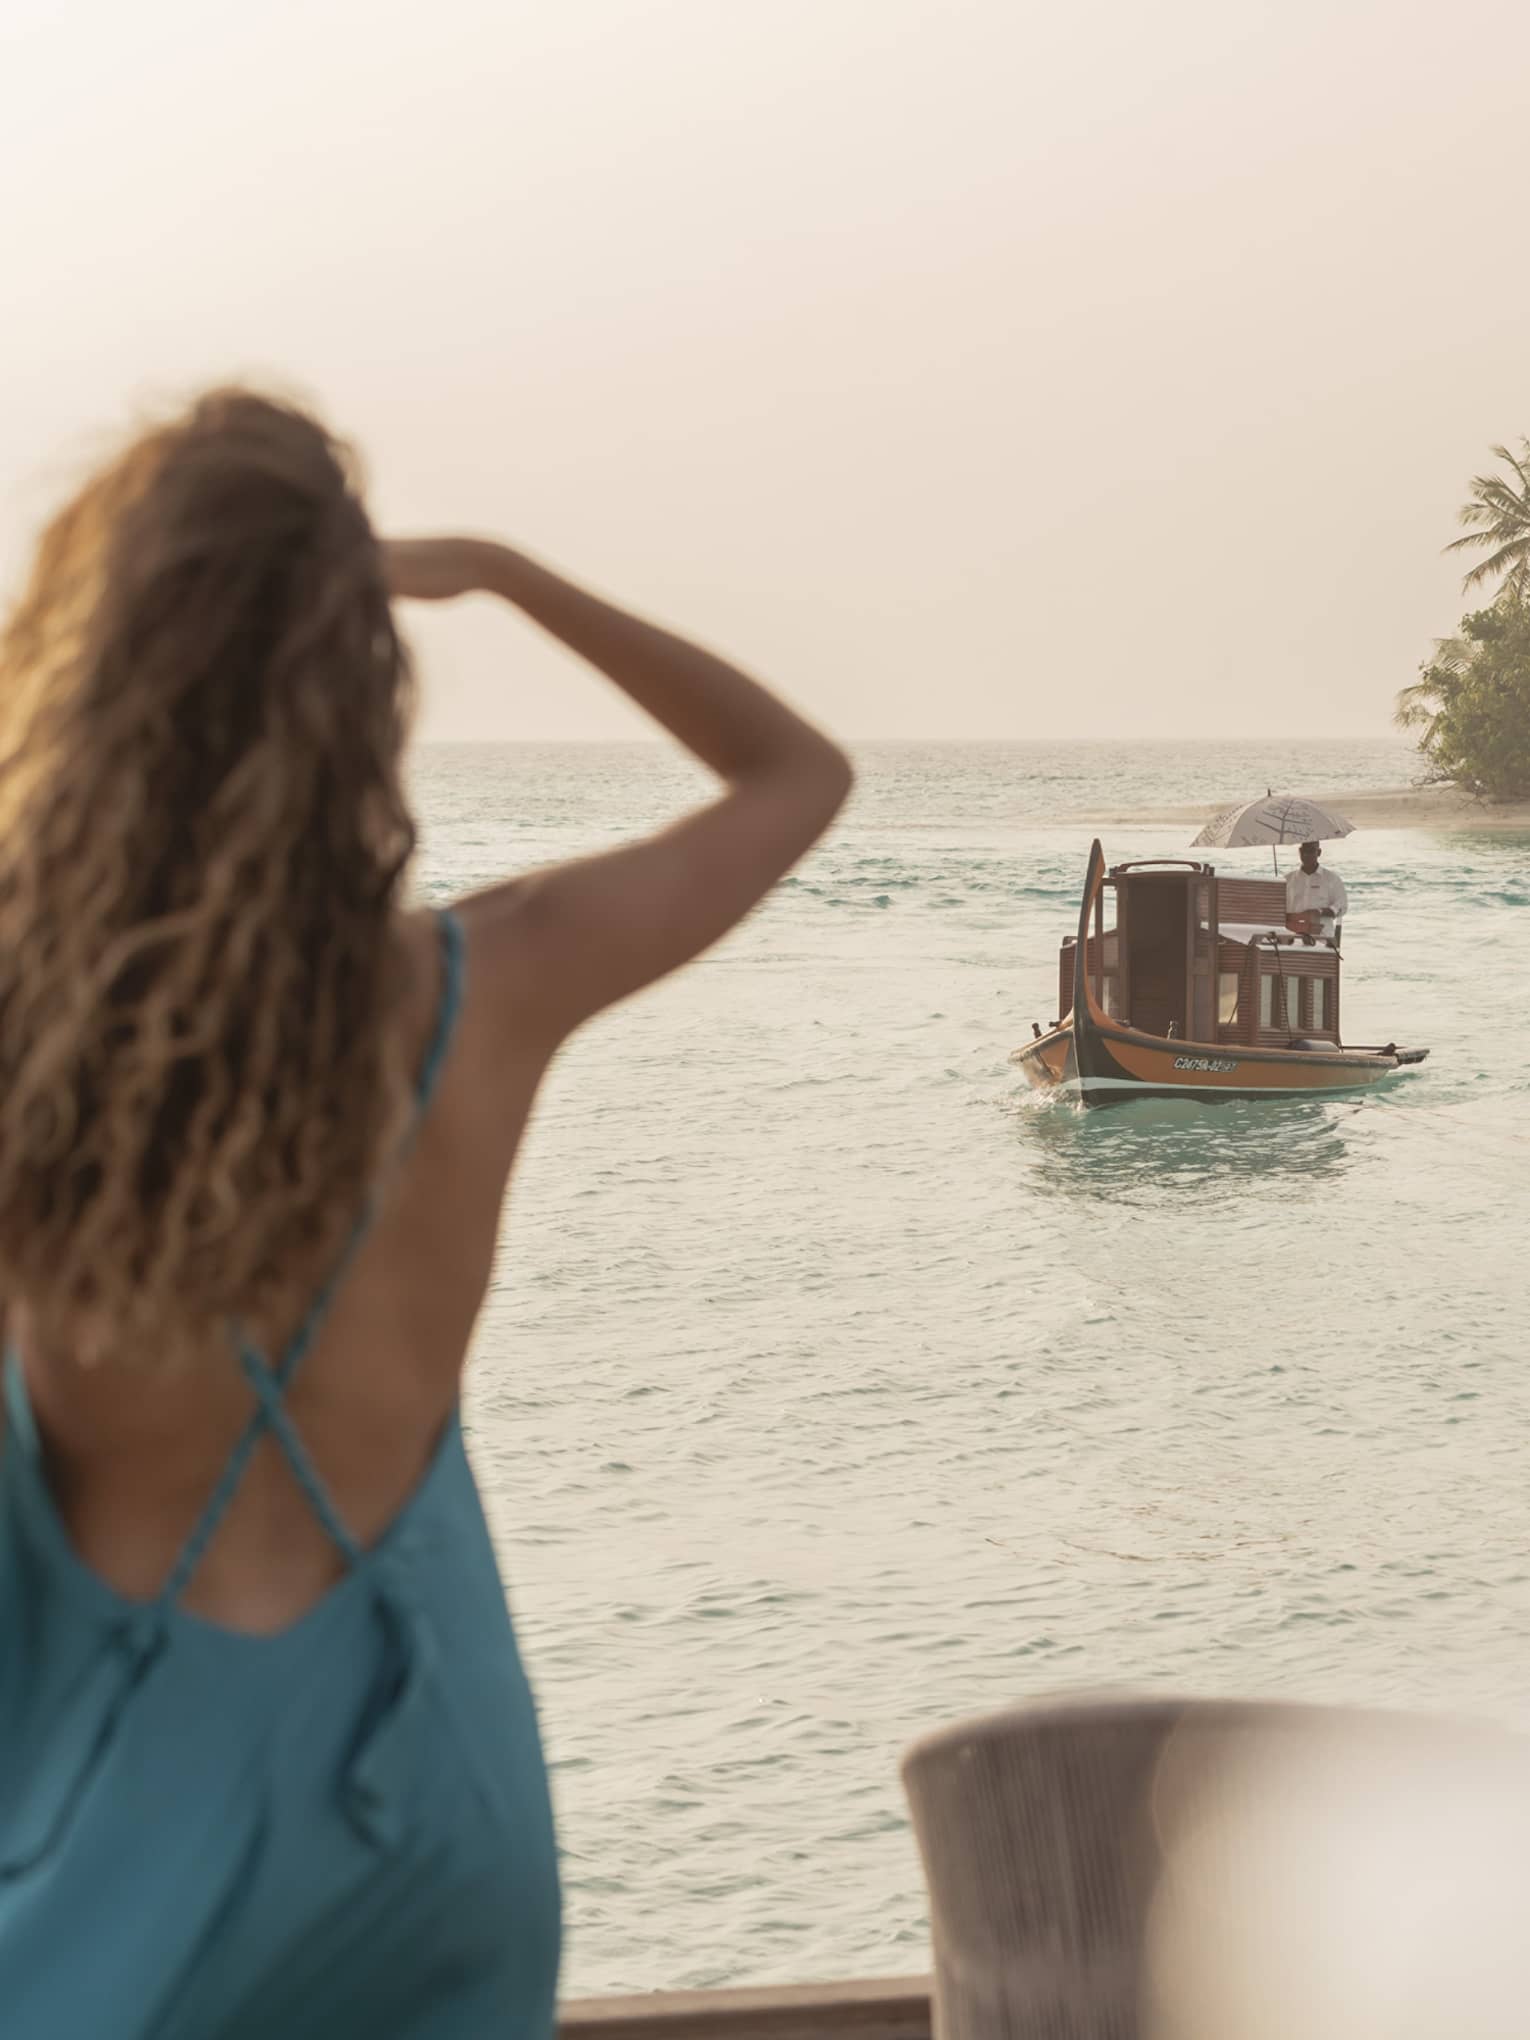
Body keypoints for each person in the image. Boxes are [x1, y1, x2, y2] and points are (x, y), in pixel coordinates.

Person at [0, 390, 852, 2038]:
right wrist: (506, 576)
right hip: (439, 1812)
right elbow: (795, 775)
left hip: (139, 1830)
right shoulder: (487, 986)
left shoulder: (31, 1056)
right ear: (356, 682)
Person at [1285, 839, 1347, 944]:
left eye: (1311, 851)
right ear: (1299, 851)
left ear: (1319, 852)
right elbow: (1278, 910)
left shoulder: (1331, 879)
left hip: (1323, 939)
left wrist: (1319, 912)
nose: (1306, 854)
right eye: (1303, 851)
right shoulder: (1287, 879)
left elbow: (1342, 906)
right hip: (1293, 939)